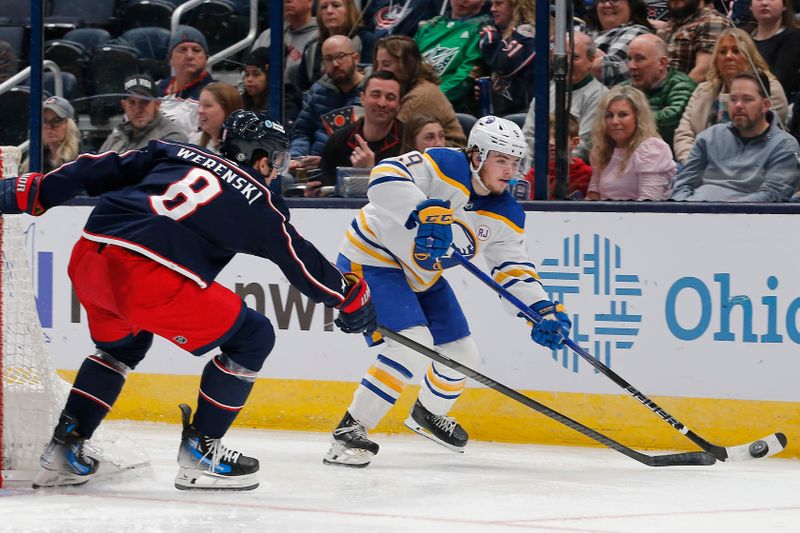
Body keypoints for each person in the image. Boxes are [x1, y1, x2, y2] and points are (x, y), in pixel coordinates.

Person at [0, 110, 377, 489]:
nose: (276, 169)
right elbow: (299, 258)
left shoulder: (172, 152)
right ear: (260, 158)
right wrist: (347, 296)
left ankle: (66, 447)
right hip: (148, 278)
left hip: (90, 257)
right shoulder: (257, 201)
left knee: (122, 346)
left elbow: (96, 168)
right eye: (276, 159)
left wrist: (32, 191)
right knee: (252, 336)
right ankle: (202, 451)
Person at [322, 116, 572, 467]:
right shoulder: (442, 164)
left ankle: (428, 413)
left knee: (462, 352)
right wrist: (420, 212)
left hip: (422, 275)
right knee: (412, 343)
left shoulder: (507, 214)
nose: (509, 170)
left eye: (515, 162)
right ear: (477, 155)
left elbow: (513, 270)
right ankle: (350, 430)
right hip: (373, 258)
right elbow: (383, 177)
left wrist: (541, 312)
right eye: (501, 160)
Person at [671, 71, 800, 201]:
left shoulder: (784, 146)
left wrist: (721, 211)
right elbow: (682, 185)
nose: (738, 105)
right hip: (693, 214)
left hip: (747, 218)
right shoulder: (709, 137)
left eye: (747, 99)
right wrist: (684, 210)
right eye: (733, 99)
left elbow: (771, 196)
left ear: (765, 105)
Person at [673, 28, 788, 163]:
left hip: (750, 169)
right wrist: (693, 163)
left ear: (749, 57)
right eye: (722, 52)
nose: (728, 56)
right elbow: (683, 134)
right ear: (716, 60)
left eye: (736, 51)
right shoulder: (703, 90)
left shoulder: (769, 89)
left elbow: (755, 137)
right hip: (697, 165)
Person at [521, 32, 609, 170]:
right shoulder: (545, 91)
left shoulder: (600, 96)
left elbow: (583, 146)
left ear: (591, 60)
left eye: (575, 57)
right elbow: (528, 137)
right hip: (535, 171)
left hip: (571, 173)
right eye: (561, 56)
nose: (566, 62)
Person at [312, 70, 405, 195]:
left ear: (399, 104)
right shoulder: (338, 141)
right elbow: (326, 195)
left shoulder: (409, 141)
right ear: (362, 98)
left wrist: (369, 173)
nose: (382, 103)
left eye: (390, 97)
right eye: (375, 95)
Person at [289, 35, 367, 168]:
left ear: (356, 58)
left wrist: (326, 162)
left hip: (354, 168)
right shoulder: (318, 90)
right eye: (329, 59)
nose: (335, 64)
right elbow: (302, 132)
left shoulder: (372, 91)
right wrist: (297, 158)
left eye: (341, 56)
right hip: (314, 168)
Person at [374, 35, 466, 147]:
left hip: (446, 154)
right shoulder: (406, 88)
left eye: (386, 64)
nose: (378, 70)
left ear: (406, 65)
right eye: (377, 64)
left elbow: (393, 138)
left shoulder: (420, 96)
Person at [586, 86, 675, 200]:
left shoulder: (652, 149)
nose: (614, 121)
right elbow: (594, 194)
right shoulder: (601, 149)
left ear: (638, 117)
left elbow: (650, 203)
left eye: (623, 115)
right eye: (609, 115)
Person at [414, 0, 491, 114]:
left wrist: (429, 99)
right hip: (411, 98)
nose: (463, 1)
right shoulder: (431, 26)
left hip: (449, 109)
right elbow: (406, 59)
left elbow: (466, 75)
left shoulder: (482, 31)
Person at [624, 33, 697, 149]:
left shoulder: (681, 84)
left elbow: (671, 121)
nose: (631, 66)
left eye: (640, 58)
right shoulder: (623, 88)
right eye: (629, 59)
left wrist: (628, 118)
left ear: (662, 63)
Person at [296, 0, 376, 91]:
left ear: (349, 10)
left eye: (336, 5)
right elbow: (301, 89)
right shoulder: (311, 47)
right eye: (324, 7)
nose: (329, 11)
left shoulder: (367, 40)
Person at [99, 74, 187, 153]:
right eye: (132, 102)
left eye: (144, 102)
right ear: (124, 105)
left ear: (157, 104)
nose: (138, 109)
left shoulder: (173, 138)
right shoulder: (115, 137)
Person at [479, 0, 538, 114]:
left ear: (515, 7)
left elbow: (504, 65)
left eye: (499, 3)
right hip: (500, 112)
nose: (492, 9)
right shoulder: (501, 34)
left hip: (523, 113)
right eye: (492, 4)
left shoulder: (528, 32)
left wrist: (490, 40)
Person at [522, 113, 593, 200]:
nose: (551, 142)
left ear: (574, 142)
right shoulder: (534, 175)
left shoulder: (588, 175)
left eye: (557, 137)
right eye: (546, 137)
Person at [585, 0, 655, 87]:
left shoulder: (638, 31)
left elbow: (612, 68)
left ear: (631, 5)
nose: (607, 5)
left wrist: (578, 48)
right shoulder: (584, 29)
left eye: (614, 0)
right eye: (602, 0)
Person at [252, 0, 319, 89]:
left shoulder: (320, 38)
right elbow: (246, 75)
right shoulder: (268, 36)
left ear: (310, 2)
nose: (287, 1)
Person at [656, 0, 728, 83]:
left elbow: (703, 71)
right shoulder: (667, 27)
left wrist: (673, 93)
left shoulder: (713, 21)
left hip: (684, 92)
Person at [751, 0, 800, 101]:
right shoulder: (744, 38)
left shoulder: (794, 37)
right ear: (750, 6)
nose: (764, 2)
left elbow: (781, 80)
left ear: (785, 6)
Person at [239, 47, 302, 126]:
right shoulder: (240, 103)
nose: (249, 79)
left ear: (270, 76)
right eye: (247, 74)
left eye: (256, 74)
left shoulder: (283, 105)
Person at [21, 96, 81, 174]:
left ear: (70, 125)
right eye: (44, 121)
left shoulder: (81, 161)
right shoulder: (34, 162)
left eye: (56, 121)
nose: (49, 127)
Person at [156, 26, 214, 100]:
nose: (189, 56)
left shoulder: (219, 95)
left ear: (206, 58)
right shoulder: (155, 89)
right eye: (182, 50)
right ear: (170, 59)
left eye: (196, 50)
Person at [189, 82, 243, 154]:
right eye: (200, 105)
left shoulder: (244, 149)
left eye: (207, 105)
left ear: (228, 109)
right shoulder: (195, 141)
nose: (200, 111)